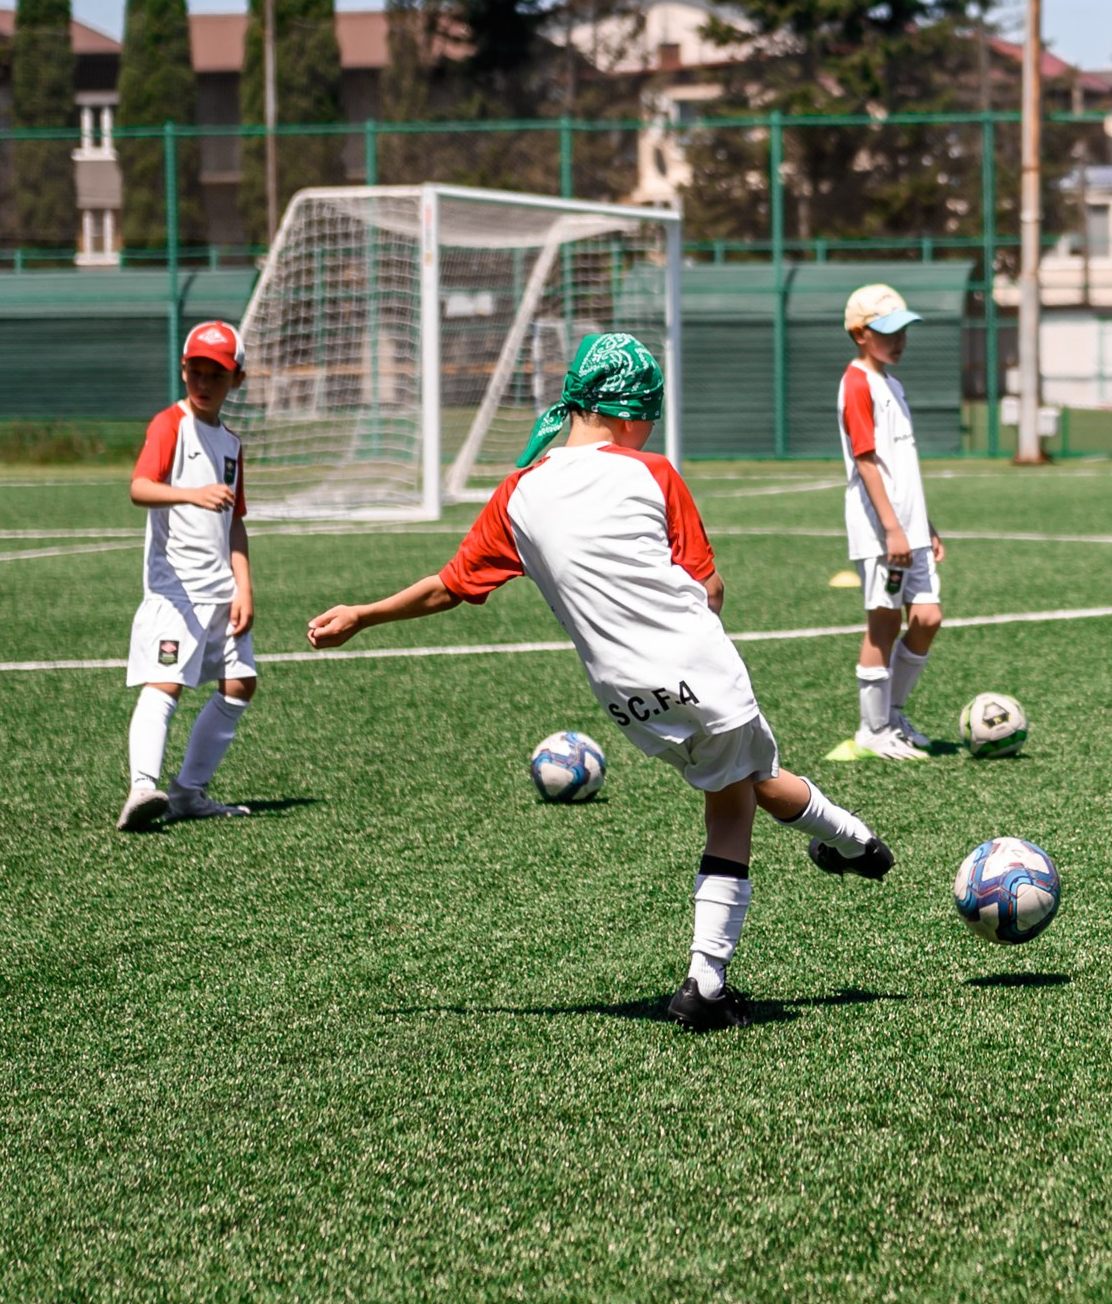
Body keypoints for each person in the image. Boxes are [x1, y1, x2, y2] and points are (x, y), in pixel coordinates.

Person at [306, 332, 893, 1033]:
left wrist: (362, 615)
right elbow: (709, 588)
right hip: (700, 667)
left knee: (744, 780)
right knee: (735, 801)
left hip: (626, 700)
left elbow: (448, 587)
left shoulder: (517, 493)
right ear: (628, 411)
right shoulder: (651, 472)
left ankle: (857, 846)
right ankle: (708, 978)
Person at [118, 320, 259, 830]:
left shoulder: (231, 445)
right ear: (183, 370)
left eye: (215, 376)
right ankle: (141, 788)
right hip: (174, 592)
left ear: (236, 380)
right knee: (166, 684)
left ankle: (188, 792)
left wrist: (244, 585)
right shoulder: (169, 425)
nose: (202, 384)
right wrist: (190, 494)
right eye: (194, 372)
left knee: (241, 684)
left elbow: (234, 523)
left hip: (220, 589)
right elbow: (139, 487)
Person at [837, 283, 945, 758]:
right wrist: (893, 530)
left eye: (903, 330)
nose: (898, 340)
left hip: (909, 529)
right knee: (882, 625)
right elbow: (866, 462)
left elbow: (901, 468)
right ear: (860, 333)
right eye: (887, 331)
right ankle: (872, 730)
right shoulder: (856, 383)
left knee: (926, 617)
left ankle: (892, 714)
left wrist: (925, 525)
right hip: (883, 533)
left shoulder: (892, 384)